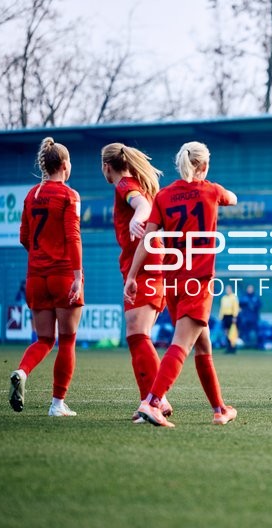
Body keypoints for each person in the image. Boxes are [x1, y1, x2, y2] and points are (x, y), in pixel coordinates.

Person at [125, 141, 237, 427]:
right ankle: (151, 403)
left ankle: (219, 409)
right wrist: (213, 187)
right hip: (198, 281)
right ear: (204, 165)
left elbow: (148, 241)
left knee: (203, 346)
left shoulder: (164, 196)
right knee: (181, 346)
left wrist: (132, 276)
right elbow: (232, 198)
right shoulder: (211, 191)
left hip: (173, 282)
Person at [9, 137, 83, 417]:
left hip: (36, 276)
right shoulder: (68, 195)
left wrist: (41, 255)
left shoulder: (32, 195)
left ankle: (22, 371)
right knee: (67, 340)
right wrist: (76, 276)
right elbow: (72, 236)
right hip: (63, 274)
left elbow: (24, 237)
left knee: (43, 339)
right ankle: (57, 404)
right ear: (64, 165)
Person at [101, 142, 169, 423]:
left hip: (143, 264)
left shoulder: (124, 184)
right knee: (138, 335)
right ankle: (153, 400)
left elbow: (142, 206)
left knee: (137, 334)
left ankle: (154, 401)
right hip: (148, 262)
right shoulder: (136, 182)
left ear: (106, 167)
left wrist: (136, 220)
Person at [238, 284, 262, 348]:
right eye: (249, 288)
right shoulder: (244, 297)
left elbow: (259, 305)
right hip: (245, 319)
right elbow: (239, 305)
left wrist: (253, 306)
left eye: (251, 288)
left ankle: (256, 345)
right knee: (245, 333)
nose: (250, 290)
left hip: (254, 319)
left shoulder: (256, 297)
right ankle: (246, 345)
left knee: (256, 332)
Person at [219, 284, 239, 354]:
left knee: (232, 333)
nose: (227, 290)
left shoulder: (234, 297)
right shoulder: (223, 298)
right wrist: (221, 317)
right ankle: (228, 347)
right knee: (226, 333)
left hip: (231, 316)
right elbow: (222, 308)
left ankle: (233, 347)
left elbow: (235, 308)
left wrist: (234, 317)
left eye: (229, 289)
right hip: (225, 316)